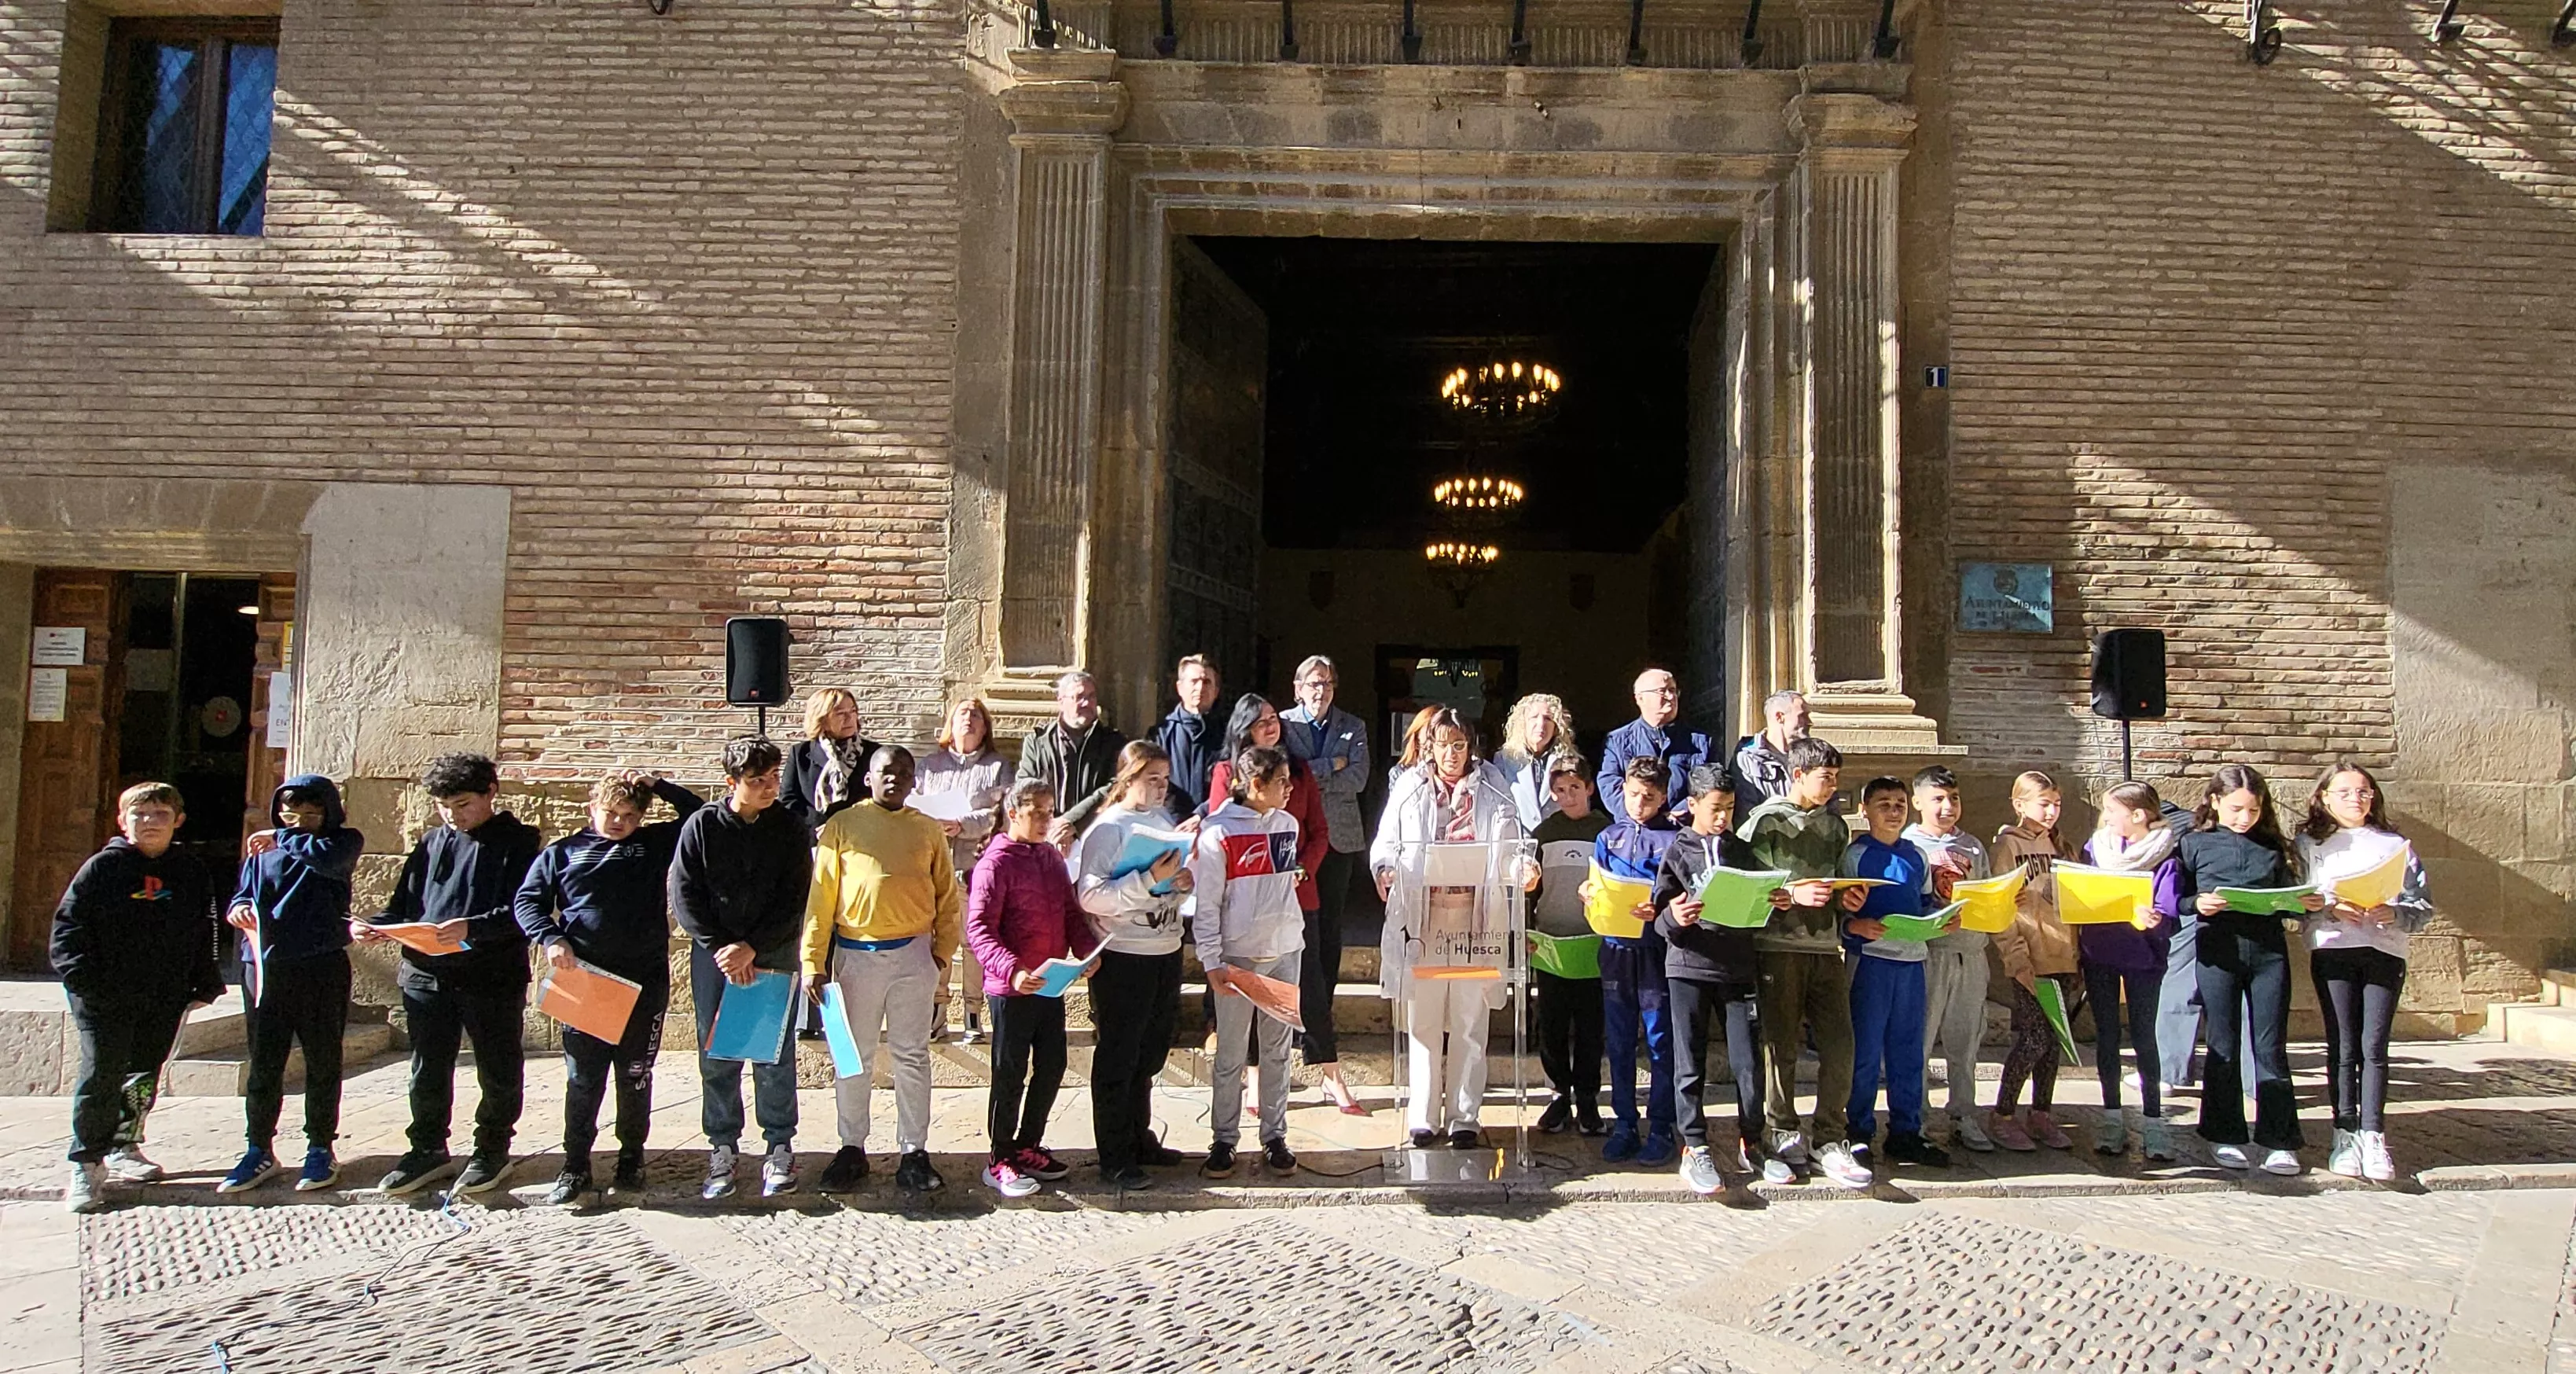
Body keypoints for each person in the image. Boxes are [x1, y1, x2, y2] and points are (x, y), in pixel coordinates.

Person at [356, 753, 542, 1197]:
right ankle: (427, 1149)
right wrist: (378, 925)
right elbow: (405, 902)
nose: (452, 816)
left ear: (490, 793)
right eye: (443, 806)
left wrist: (472, 928)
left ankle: (492, 1149)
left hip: (490, 975)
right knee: (427, 1067)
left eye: (462, 805)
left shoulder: (519, 843)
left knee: (496, 1067)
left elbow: (524, 910)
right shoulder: (431, 842)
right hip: (425, 973)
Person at [515, 770, 704, 1203]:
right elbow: (527, 901)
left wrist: (658, 785)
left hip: (644, 979)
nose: (618, 822)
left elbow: (697, 814)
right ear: (591, 809)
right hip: (587, 979)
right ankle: (575, 1165)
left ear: (640, 818)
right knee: (584, 1078)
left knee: (634, 1075)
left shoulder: (652, 845)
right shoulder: (563, 853)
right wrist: (550, 937)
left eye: (629, 816)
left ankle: (631, 1159)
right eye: (610, 813)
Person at [52, 782, 223, 1213]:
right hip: (103, 995)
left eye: (160, 814)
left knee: (144, 1074)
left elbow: (205, 929)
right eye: (140, 815)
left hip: (162, 994)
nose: (150, 823)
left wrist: (205, 981)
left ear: (178, 821)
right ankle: (87, 1162)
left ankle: (124, 1146)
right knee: (102, 1075)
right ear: (122, 821)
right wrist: (83, 980)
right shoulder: (101, 869)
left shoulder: (189, 871)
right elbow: (67, 931)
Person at [803, 745, 962, 1196]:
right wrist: (814, 961)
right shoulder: (842, 826)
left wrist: (940, 956)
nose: (894, 779)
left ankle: (914, 1151)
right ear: (869, 779)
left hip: (913, 956)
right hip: (856, 956)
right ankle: (851, 1147)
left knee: (912, 1055)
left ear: (914, 782)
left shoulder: (927, 830)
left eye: (904, 773)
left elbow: (948, 899)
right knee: (853, 1056)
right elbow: (821, 900)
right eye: (885, 772)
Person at [1373, 710, 1531, 1150]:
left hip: (1475, 918)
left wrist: (1522, 866)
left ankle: (1465, 1116)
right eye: (1443, 745)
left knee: (1468, 1019)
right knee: (1423, 1020)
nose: (1451, 754)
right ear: (1429, 747)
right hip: (1426, 917)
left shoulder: (1495, 787)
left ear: (1470, 747)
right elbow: (1386, 842)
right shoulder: (1408, 788)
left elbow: (1512, 843)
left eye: (1459, 745)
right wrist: (1385, 870)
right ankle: (1422, 1117)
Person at [670, 737, 814, 1202]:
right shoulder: (701, 827)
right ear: (732, 782)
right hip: (716, 957)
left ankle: (778, 1145)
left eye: (774, 778)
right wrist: (721, 947)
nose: (770, 787)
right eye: (757, 781)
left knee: (772, 1055)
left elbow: (795, 898)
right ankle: (723, 1146)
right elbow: (685, 893)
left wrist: (753, 947)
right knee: (717, 1054)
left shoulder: (789, 828)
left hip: (770, 953)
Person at [220, 774, 364, 1195]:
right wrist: (240, 909)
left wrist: (284, 837)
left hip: (319, 964)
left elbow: (327, 860)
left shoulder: (340, 842)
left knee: (322, 1060)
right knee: (265, 1062)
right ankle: (258, 1148)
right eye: (289, 813)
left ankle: (320, 1146)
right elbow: (243, 893)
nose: (298, 822)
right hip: (265, 966)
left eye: (310, 815)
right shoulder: (262, 852)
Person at [1207, 693, 1350, 1111]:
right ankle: (1252, 1082)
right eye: (1261, 721)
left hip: (1296, 894)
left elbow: (1318, 831)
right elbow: (1224, 832)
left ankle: (1331, 1073)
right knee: (1252, 996)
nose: (1271, 726)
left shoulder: (1298, 771)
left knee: (1313, 988)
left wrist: (1302, 867)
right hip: (1246, 905)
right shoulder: (1226, 772)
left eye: (1274, 719)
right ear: (1244, 728)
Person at [1652, 765, 1788, 1195]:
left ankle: (1754, 1139)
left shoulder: (1742, 851)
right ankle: (1694, 1145)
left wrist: (1774, 900)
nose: (1722, 818)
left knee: (1747, 1062)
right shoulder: (1677, 851)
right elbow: (1659, 917)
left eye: (1729, 809)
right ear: (1692, 805)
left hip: (1737, 967)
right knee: (1689, 1061)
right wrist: (1674, 916)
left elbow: (1755, 898)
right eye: (1714, 809)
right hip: (1689, 966)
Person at [2181, 762, 2322, 1175]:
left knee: (2270, 1046)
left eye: (2253, 811)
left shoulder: (2272, 847)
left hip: (2268, 953)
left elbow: (2287, 894)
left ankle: (2279, 1140)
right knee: (2222, 1044)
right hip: (2217, 952)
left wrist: (2303, 902)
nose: (2244, 819)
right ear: (2215, 802)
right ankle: (2224, 1134)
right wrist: (2197, 905)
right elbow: (2177, 897)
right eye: (2236, 809)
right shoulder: (2195, 844)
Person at [1741, 737, 1870, 1188]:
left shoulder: (1836, 828)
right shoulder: (1764, 822)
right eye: (1825, 778)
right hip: (1777, 946)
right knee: (1781, 1045)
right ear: (1798, 774)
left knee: (1840, 1044)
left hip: (1825, 947)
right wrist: (1792, 894)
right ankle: (1779, 1132)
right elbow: (1747, 886)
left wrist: (1848, 899)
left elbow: (1836, 882)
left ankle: (1831, 1137)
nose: (1833, 787)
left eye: (1836, 778)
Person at [2298, 761, 2433, 1183]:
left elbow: (2422, 904)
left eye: (2364, 792)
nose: (2356, 799)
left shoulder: (2395, 845)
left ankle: (2373, 1133)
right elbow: (2295, 897)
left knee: (2374, 1045)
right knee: (2342, 1045)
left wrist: (2394, 911)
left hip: (2384, 949)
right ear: (2323, 798)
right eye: (2345, 792)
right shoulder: (2308, 845)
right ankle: (2344, 1130)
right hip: (2335, 946)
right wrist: (2326, 904)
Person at [967, 780, 1102, 1198]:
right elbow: (980, 929)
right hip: (1012, 990)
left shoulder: (1050, 858)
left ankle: (1028, 1143)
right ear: (1014, 814)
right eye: (1037, 813)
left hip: (1050, 983)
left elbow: (1068, 911)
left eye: (1050, 811)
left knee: (1052, 1064)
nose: (1047, 820)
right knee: (1009, 1072)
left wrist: (1085, 951)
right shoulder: (996, 864)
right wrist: (1012, 970)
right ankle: (999, 1156)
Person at [1071, 742, 1192, 1188]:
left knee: (1152, 1049)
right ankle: (1115, 1154)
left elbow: (1172, 884)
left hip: (1165, 946)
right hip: (1125, 953)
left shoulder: (1161, 822)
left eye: (1165, 779)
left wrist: (1180, 884)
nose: (1162, 788)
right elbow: (1089, 895)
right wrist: (1148, 881)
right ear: (1128, 779)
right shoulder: (1108, 829)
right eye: (1152, 779)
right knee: (1120, 1055)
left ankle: (1140, 1136)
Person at [1191, 745, 1306, 1178]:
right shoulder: (1217, 831)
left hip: (1284, 950)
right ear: (1256, 785)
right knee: (1232, 1052)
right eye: (1281, 782)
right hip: (1237, 954)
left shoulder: (1287, 825)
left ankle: (1275, 1134)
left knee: (1277, 1049)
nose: (1290, 789)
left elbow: (1281, 884)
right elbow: (1208, 903)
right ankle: (1224, 1138)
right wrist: (1211, 959)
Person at [1841, 776, 1953, 1170]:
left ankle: (1906, 1131)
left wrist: (1941, 921)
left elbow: (1923, 903)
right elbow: (1840, 911)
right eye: (1884, 804)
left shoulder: (1918, 856)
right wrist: (1855, 927)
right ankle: (1857, 1130)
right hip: (1870, 963)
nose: (1893, 811)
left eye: (1900, 804)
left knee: (1908, 1053)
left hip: (1912, 962)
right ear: (1864, 810)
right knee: (1865, 1050)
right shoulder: (1855, 855)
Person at [1281, 656, 1371, 1112]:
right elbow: (1289, 781)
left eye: (1328, 684)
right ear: (1298, 688)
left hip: (1340, 841)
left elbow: (1358, 779)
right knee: (1293, 932)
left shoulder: (1353, 725)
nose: (1321, 691)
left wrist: (1316, 769)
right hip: (1296, 843)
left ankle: (1322, 1010)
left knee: (1329, 930)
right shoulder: (1281, 725)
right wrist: (1329, 764)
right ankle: (1294, 1019)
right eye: (1314, 684)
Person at [2078, 781, 2180, 1162]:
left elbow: (2168, 912)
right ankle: (2111, 1117)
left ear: (2138, 816)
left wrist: (2154, 918)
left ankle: (2154, 1121)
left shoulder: (2164, 856)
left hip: (2143, 957)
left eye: (2112, 811)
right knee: (2106, 1035)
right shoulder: (2097, 848)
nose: (2105, 818)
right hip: (2099, 950)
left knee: (2143, 1035)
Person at [1589, 758, 1681, 1165]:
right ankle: (1624, 1122)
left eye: (1649, 796)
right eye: (1632, 794)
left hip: (1655, 952)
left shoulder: (1675, 839)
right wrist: (1590, 896)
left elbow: (1686, 895)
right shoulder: (1607, 837)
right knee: (1620, 1041)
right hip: (1615, 950)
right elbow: (1598, 884)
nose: (1639, 803)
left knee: (1660, 1041)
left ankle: (1662, 1125)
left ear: (1663, 797)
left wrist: (1658, 909)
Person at [1904, 766, 1994, 1152]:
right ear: (1918, 802)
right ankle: (1915, 1115)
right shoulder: (1909, 845)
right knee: (1920, 1038)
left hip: (1971, 952)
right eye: (1938, 799)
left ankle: (1964, 1112)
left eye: (1953, 798)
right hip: (1930, 953)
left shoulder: (1973, 845)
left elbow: (1986, 889)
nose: (1947, 806)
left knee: (1966, 1038)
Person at [1988, 770, 2078, 1153]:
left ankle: (2041, 1113)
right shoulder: (2007, 847)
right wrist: (2016, 957)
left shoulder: (2063, 847)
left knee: (2054, 1042)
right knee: (2033, 1038)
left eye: (2057, 804)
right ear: (2019, 804)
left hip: (2064, 957)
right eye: (2045, 804)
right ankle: (2002, 1114)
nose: (2052, 811)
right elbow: (2000, 909)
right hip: (2029, 957)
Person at [918, 696, 1011, 1043]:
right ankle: (936, 1012)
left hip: (974, 866)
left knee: (974, 944)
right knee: (936, 942)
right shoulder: (930, 766)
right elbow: (913, 806)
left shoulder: (998, 766)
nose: (969, 720)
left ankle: (973, 1012)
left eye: (976, 715)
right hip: (934, 867)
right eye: (962, 714)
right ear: (950, 724)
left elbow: (1001, 814)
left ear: (985, 727)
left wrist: (962, 824)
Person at [1528, 757, 1611, 1136]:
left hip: (1593, 941)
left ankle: (1589, 1097)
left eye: (1574, 789)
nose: (1567, 797)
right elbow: (1531, 887)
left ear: (1590, 788)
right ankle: (1560, 1093)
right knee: (1552, 1023)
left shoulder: (1607, 831)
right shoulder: (1543, 832)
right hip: (1551, 941)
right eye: (1559, 791)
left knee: (1591, 1025)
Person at [1016, 670, 1130, 847]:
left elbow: (1114, 786)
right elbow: (1025, 786)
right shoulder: (1038, 742)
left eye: (1091, 696)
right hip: (1045, 838)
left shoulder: (1114, 742)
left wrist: (1072, 821)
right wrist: (1050, 825)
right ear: (1061, 702)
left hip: (1094, 837)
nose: (1087, 703)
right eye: (1079, 697)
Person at [1597, 668, 1710, 825]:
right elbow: (1609, 784)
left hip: (1682, 830)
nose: (1671, 697)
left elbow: (1706, 786)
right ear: (1640, 698)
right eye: (1662, 691)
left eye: (1673, 690)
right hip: (1635, 831)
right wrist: (1641, 813)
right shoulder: (1617, 741)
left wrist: (1676, 816)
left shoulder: (1700, 742)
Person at [779, 687, 880, 833]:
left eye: (853, 711)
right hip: (814, 838)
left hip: (860, 836)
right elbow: (788, 800)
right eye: (840, 713)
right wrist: (817, 823)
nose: (850, 717)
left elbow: (882, 800)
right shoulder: (801, 753)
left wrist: (841, 825)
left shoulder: (874, 753)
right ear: (822, 719)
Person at [1494, 693, 1578, 830]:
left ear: (1557, 727)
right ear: (1522, 724)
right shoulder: (1503, 760)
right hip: (1519, 843)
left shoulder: (1569, 761)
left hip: (1557, 840)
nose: (1541, 724)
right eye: (1534, 717)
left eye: (1548, 719)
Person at [1156, 654, 1225, 819]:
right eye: (1194, 681)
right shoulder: (1161, 734)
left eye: (1207, 682)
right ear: (1180, 688)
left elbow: (1231, 781)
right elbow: (1155, 779)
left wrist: (1202, 814)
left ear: (1216, 692)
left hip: (1215, 822)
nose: (1200, 688)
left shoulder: (1227, 733)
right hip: (1171, 823)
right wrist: (1180, 818)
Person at [1729, 689, 1810, 815]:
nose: (1808, 721)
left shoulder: (1810, 756)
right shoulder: (1748, 759)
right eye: (1802, 716)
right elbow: (1745, 814)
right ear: (1780, 717)